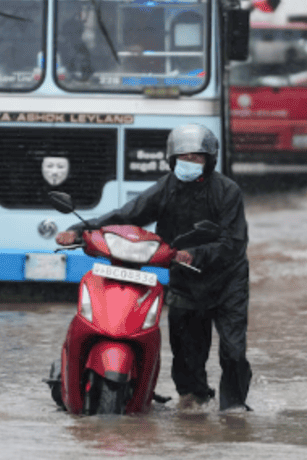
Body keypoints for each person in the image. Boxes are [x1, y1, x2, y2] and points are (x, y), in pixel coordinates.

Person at [55, 124, 252, 411]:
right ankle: (193, 400)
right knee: (186, 350)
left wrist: (193, 254)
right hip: (185, 279)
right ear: (172, 159)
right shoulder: (166, 188)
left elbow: (233, 242)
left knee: (233, 351)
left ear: (210, 160)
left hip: (227, 280)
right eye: (184, 158)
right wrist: (78, 230)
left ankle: (234, 408)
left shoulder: (228, 191)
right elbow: (128, 214)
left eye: (197, 158)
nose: (190, 164)